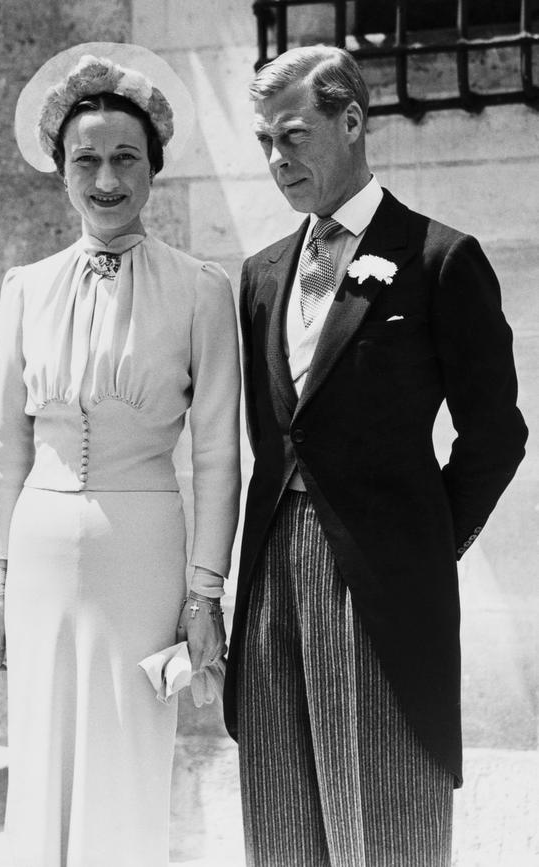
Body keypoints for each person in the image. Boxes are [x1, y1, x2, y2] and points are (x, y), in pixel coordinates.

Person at [224, 45, 528, 867]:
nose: (276, 159)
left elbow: (497, 433)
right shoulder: (259, 277)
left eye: (292, 135)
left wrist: (424, 544)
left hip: (382, 585)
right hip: (269, 580)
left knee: (383, 823)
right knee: (282, 825)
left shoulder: (439, 259)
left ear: (352, 120)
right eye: (263, 143)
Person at [0, 42, 240, 867]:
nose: (107, 180)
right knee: (42, 754)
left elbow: (220, 453)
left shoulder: (200, 289)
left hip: (144, 552)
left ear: (154, 167)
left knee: (127, 753)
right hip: (39, 548)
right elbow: (4, 445)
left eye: (126, 158)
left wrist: (203, 593)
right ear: (61, 170)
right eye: (86, 160)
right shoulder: (24, 287)